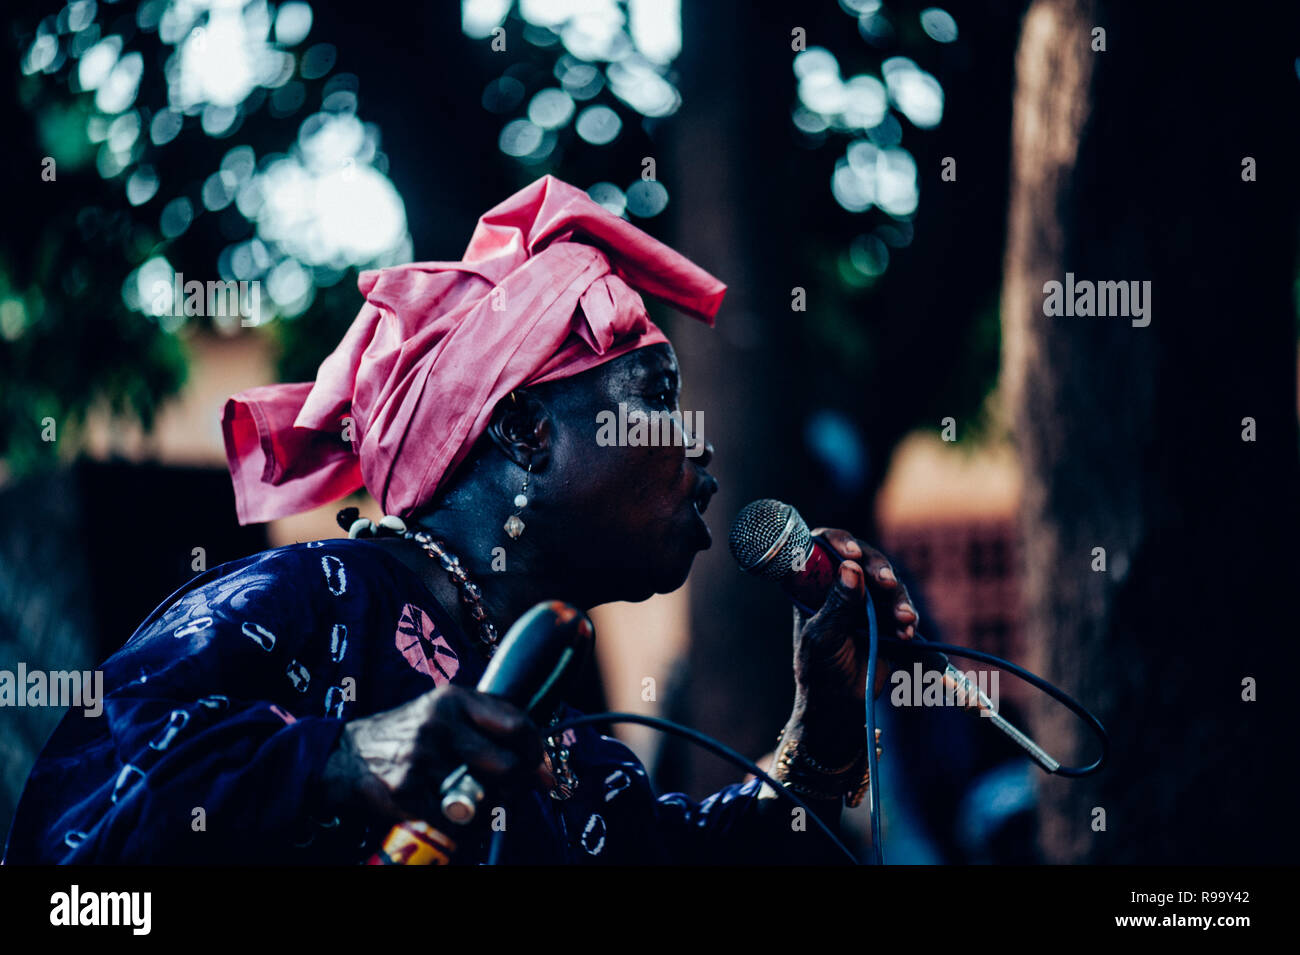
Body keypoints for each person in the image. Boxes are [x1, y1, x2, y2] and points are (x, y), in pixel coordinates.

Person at [3, 176, 918, 864]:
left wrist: (825, 731)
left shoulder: (576, 760)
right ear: (523, 430)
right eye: (660, 398)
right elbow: (70, 866)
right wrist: (340, 761)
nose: (702, 455)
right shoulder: (302, 606)